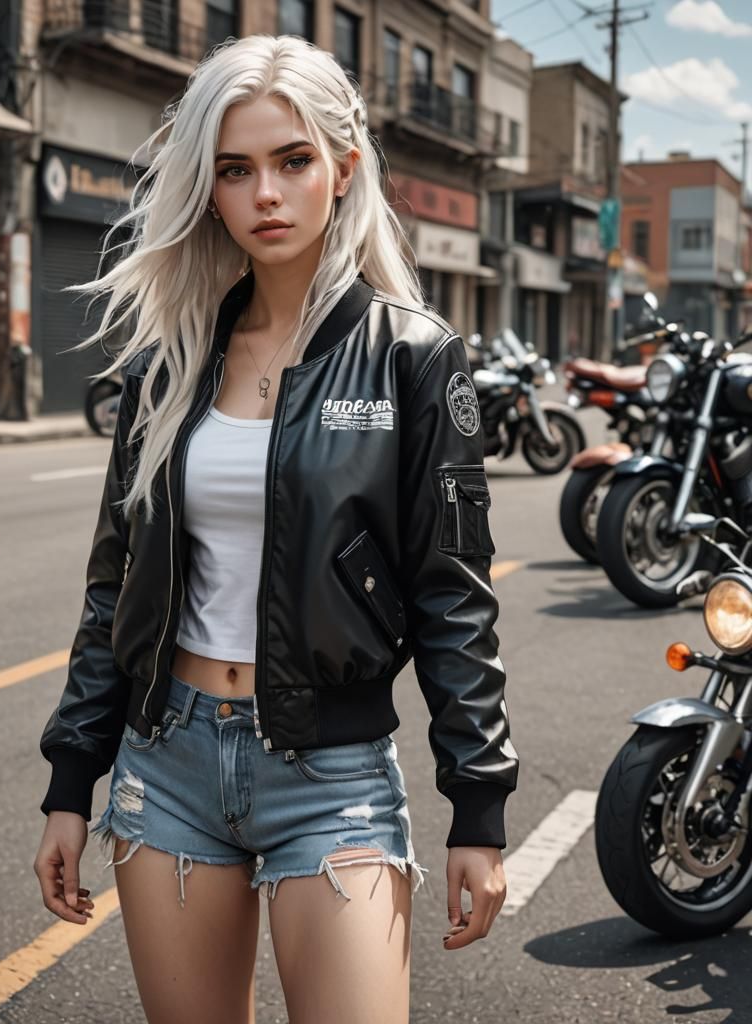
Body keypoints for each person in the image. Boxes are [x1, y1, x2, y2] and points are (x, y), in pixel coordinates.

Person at [34, 33, 519, 1024]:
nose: (266, 194)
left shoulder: (412, 358)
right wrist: (70, 779)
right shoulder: (169, 361)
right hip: (164, 759)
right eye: (235, 169)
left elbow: (451, 596)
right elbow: (115, 586)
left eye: (292, 161)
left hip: (329, 772)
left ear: (342, 170)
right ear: (207, 188)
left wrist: (478, 805)